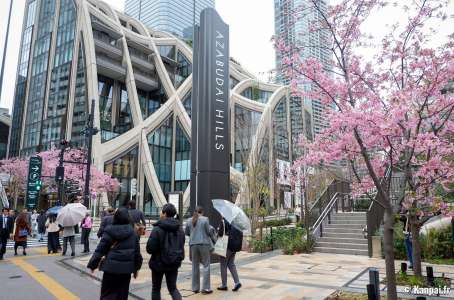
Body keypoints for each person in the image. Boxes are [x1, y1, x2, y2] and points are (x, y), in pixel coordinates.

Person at [87, 208, 143, 300]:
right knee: (122, 295)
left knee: (107, 294)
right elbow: (137, 253)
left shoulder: (109, 231)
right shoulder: (133, 233)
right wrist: (136, 268)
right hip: (126, 270)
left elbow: (100, 250)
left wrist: (93, 264)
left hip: (110, 269)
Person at [147, 203, 185, 300]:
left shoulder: (157, 229)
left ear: (164, 214)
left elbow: (150, 249)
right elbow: (182, 244)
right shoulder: (180, 229)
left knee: (156, 288)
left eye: (161, 212)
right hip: (174, 262)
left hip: (158, 263)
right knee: (173, 288)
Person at [185, 206, 213, 294]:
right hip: (204, 244)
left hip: (193, 244)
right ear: (202, 212)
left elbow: (187, 232)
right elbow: (208, 232)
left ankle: (195, 288)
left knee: (195, 266)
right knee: (206, 265)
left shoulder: (189, 220)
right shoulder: (205, 219)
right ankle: (205, 288)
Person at [217, 219, 243, 292]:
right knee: (231, 264)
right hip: (234, 246)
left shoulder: (224, 221)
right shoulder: (236, 222)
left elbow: (220, 233)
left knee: (223, 264)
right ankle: (237, 282)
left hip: (226, 245)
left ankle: (224, 285)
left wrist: (218, 229)